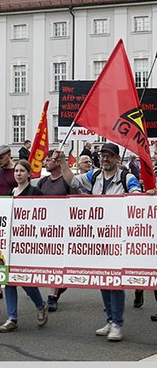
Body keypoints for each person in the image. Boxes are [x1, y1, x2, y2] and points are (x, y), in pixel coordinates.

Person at [61, 143, 154, 341]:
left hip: (118, 236)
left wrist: (143, 197)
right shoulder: (93, 176)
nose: (105, 159)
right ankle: (110, 320)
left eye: (109, 156)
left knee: (115, 282)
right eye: (103, 156)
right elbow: (72, 181)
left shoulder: (126, 177)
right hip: (99, 237)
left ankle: (117, 324)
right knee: (103, 279)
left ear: (117, 159)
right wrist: (62, 162)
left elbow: (135, 195)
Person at [0, 159, 48, 333]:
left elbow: (43, 213)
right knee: (9, 280)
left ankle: (40, 305)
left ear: (29, 174)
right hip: (11, 241)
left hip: (27, 242)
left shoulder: (35, 192)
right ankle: (12, 318)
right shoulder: (11, 192)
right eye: (16, 171)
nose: (18, 174)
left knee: (24, 279)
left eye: (22, 171)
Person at [35, 149, 76, 312]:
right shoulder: (43, 182)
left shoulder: (66, 182)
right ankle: (60, 286)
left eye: (49, 159)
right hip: (46, 230)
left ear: (58, 162)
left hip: (63, 230)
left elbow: (75, 203)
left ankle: (52, 296)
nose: (45, 162)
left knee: (58, 263)